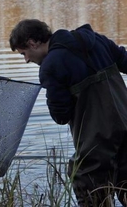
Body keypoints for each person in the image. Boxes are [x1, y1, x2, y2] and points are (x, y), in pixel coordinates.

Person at [9, 19, 127, 206]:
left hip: (98, 135)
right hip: (125, 121)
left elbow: (61, 116)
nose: (27, 60)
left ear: (33, 43)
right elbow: (125, 61)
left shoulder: (51, 66)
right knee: (125, 179)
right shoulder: (96, 39)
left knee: (87, 181)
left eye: (24, 53)